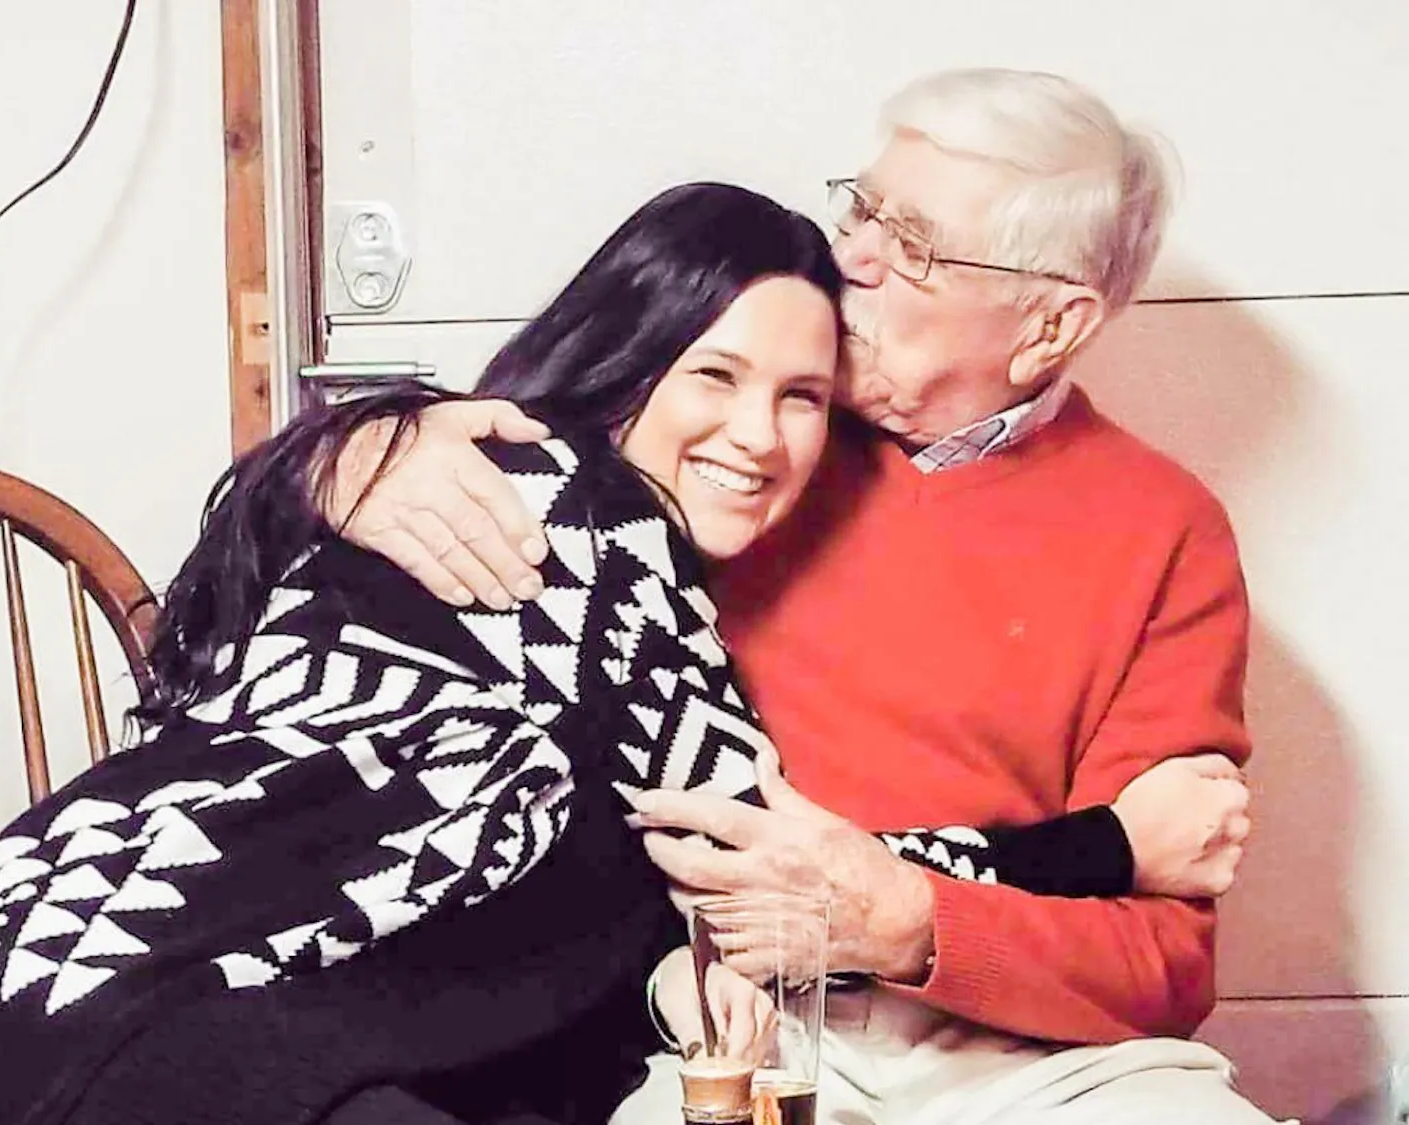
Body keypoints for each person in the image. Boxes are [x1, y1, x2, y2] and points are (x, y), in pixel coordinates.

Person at [0, 183, 1229, 1125]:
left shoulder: (487, 480)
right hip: (141, 1022)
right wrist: (1112, 845)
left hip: (17, 983)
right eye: (713, 376)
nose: (760, 437)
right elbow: (773, 869)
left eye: (802, 398)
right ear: (630, 359)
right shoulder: (564, 509)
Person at [318, 70, 1275, 1124]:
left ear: (1049, 326)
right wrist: (361, 451)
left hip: (1047, 1059)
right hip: (737, 1014)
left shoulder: (1163, 529)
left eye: (911, 246)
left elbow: (1168, 961)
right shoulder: (743, 446)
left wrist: (907, 923)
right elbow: (532, 445)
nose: (847, 255)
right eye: (860, 208)